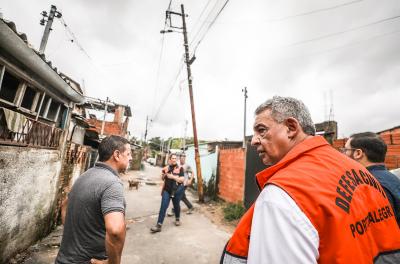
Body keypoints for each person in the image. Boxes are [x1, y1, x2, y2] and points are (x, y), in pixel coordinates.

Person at [220, 96, 400, 263]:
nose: (254, 141)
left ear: (291, 128)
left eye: (261, 130)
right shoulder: (358, 171)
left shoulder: (283, 194)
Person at [55, 135, 131, 264]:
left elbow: (64, 206)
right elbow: (115, 230)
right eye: (128, 154)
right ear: (117, 155)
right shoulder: (112, 183)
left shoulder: (84, 176)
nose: (131, 158)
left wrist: (75, 237)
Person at [343, 132, 400, 227]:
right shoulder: (391, 177)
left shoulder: (370, 185)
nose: (343, 154)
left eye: (345, 150)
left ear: (358, 153)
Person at [150, 153, 185, 232]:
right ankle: (159, 225)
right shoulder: (166, 168)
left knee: (176, 206)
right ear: (169, 159)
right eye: (172, 158)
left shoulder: (180, 168)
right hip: (167, 190)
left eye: (175, 158)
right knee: (163, 206)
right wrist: (164, 174)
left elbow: (182, 179)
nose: (174, 160)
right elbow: (162, 178)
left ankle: (177, 218)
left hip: (177, 190)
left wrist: (172, 177)